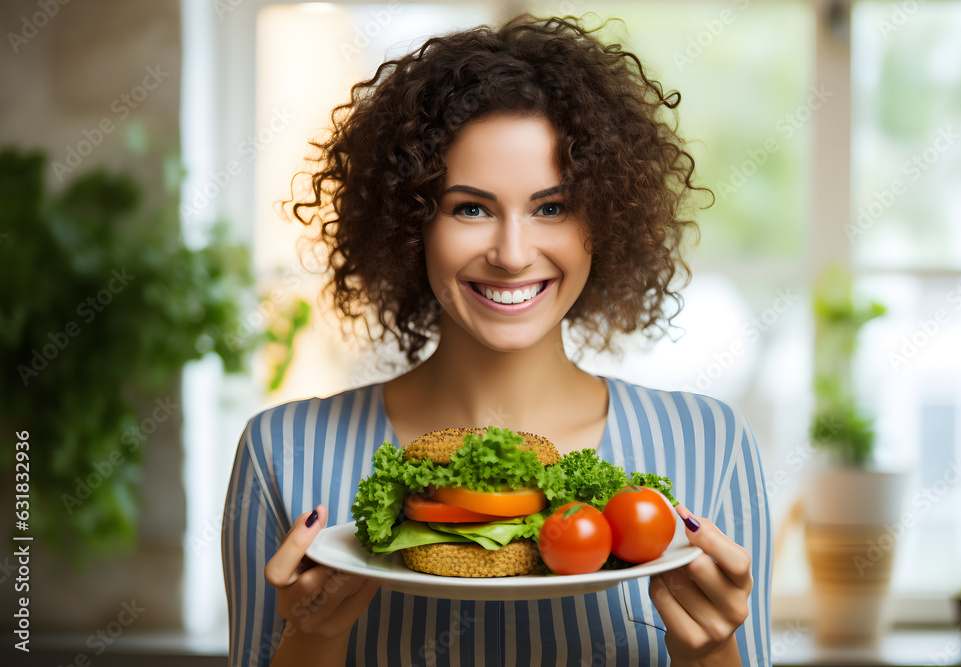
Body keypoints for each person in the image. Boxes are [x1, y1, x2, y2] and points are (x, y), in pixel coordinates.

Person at [222, 13, 772, 667]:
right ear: (410, 223)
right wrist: (313, 639)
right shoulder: (282, 453)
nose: (513, 254)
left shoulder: (710, 446)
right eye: (471, 208)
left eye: (551, 207)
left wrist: (711, 652)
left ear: (602, 218)